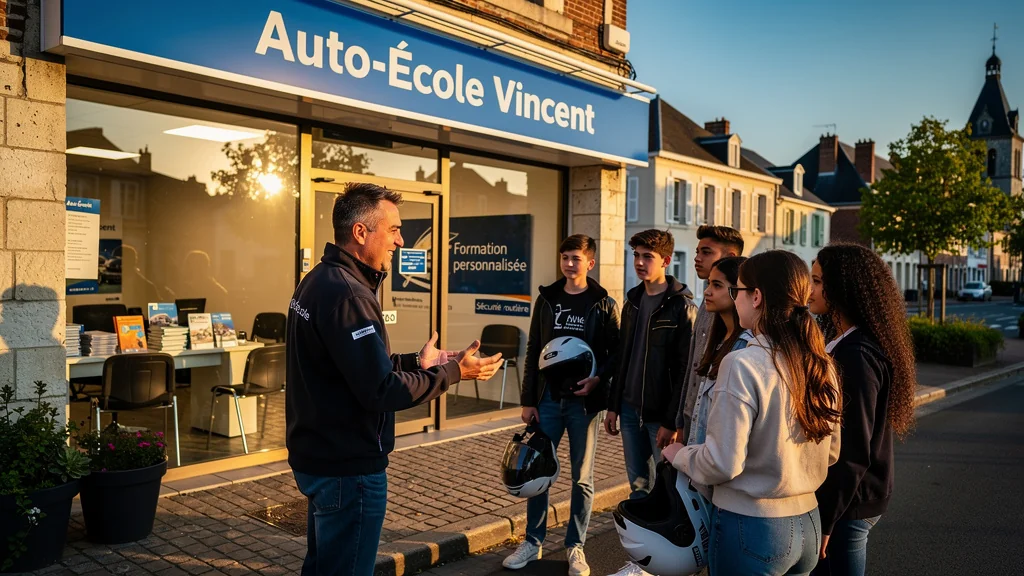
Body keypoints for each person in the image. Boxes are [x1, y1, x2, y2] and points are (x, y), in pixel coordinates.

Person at [285, 182, 504, 576]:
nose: (401, 241)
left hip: (321, 459)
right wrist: (454, 372)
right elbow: (381, 390)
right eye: (394, 230)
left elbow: (351, 366)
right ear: (360, 232)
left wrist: (418, 363)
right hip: (347, 470)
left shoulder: (319, 279)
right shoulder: (350, 295)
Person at [663, 250, 842, 576]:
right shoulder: (821, 363)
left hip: (752, 525)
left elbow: (722, 462)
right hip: (808, 521)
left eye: (737, 291)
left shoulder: (742, 363)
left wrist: (681, 455)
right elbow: (831, 452)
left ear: (756, 297)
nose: (736, 299)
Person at [503, 234, 620, 576]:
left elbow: (616, 354)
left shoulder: (603, 303)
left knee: (582, 478)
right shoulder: (547, 300)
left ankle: (575, 546)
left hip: (584, 405)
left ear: (590, 263)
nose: (569, 264)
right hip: (548, 402)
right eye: (565, 257)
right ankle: (533, 541)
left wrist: (598, 380)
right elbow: (533, 350)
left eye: (576, 258)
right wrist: (528, 400)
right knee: (536, 472)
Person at [809, 243, 917, 576]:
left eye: (817, 281)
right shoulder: (842, 339)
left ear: (843, 288)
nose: (809, 288)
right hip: (848, 497)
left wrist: (827, 518)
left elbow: (854, 447)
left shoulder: (856, 354)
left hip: (850, 503)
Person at [606, 229, 696, 501]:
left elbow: (685, 371)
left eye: (647, 256)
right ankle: (638, 529)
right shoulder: (632, 302)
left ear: (665, 261)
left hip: (660, 416)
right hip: (629, 410)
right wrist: (613, 406)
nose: (639, 262)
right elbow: (622, 357)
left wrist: (672, 421)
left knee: (667, 488)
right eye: (636, 255)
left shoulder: (682, 307)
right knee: (638, 487)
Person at [686, 256, 750, 502]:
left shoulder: (745, 345)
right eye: (709, 284)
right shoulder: (717, 338)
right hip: (704, 463)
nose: (707, 291)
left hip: (723, 474)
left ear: (737, 291)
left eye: (717, 285)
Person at [676, 225, 744, 445]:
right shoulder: (706, 307)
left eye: (706, 252)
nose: (697, 258)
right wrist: (680, 420)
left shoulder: (746, 328)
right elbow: (692, 367)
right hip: (692, 417)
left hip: (716, 430)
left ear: (730, 256)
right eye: (697, 251)